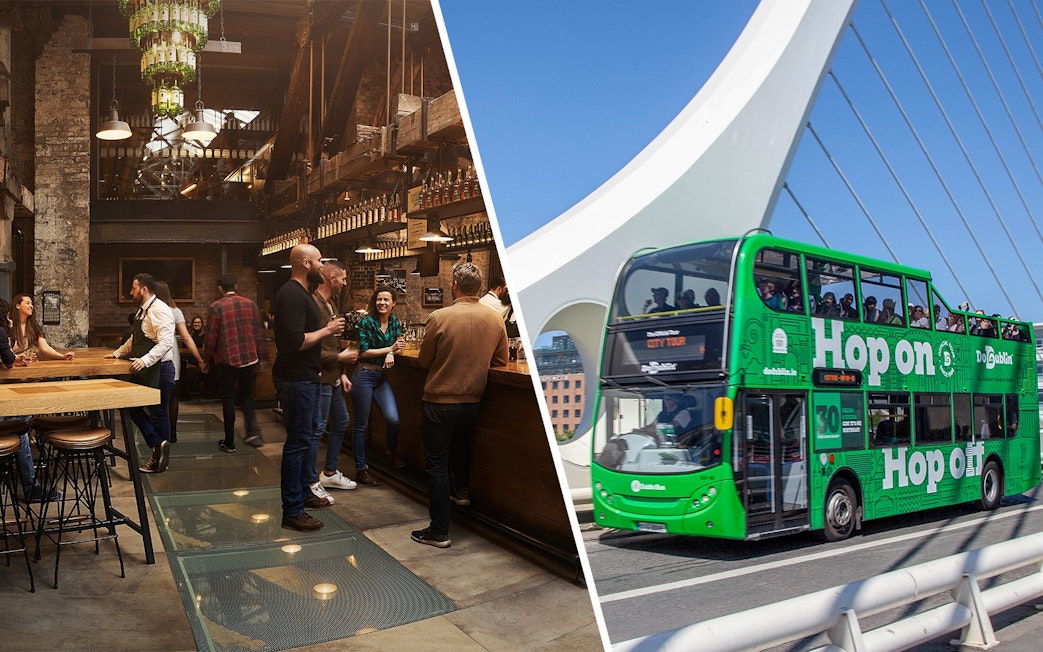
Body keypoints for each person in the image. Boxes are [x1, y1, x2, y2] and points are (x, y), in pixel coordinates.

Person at [412, 262, 509, 548]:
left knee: (437, 465)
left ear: (454, 285)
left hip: (439, 402)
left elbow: (423, 360)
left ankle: (440, 530)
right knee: (461, 445)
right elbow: (501, 360)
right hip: (472, 403)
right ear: (478, 287)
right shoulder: (495, 320)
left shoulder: (440, 317)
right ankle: (462, 493)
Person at [273, 244, 345, 532]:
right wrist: (328, 330)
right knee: (297, 443)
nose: (322, 265)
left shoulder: (301, 293)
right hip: (295, 380)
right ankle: (292, 510)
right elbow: (293, 342)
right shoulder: (291, 294)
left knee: (304, 440)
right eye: (318, 261)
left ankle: (303, 493)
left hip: (305, 376)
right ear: (305, 263)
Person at [106, 273, 176, 474]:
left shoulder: (160, 310)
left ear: (144, 290)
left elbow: (166, 343)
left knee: (159, 412)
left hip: (160, 369)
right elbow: (135, 339)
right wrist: (117, 353)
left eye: (133, 288)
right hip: (147, 369)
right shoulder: (142, 311)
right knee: (131, 408)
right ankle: (158, 444)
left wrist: (145, 360)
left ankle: (159, 460)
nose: (131, 292)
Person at [204, 274, 269, 453]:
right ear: (236, 286)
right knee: (247, 397)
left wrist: (206, 361)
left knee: (229, 400)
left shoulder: (216, 307)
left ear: (220, 288)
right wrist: (263, 359)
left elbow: (211, 338)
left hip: (226, 360)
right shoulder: (251, 304)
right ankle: (253, 433)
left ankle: (230, 442)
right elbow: (259, 334)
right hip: (249, 358)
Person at [311, 260, 359, 497]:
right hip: (321, 379)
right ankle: (310, 483)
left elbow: (331, 342)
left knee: (340, 421)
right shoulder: (315, 306)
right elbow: (311, 346)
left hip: (333, 376)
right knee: (317, 428)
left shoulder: (329, 304)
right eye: (343, 278)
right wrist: (340, 356)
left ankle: (329, 473)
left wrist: (341, 372)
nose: (345, 283)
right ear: (332, 279)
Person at [350, 286, 405, 486]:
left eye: (386, 300)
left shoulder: (394, 322)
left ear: (393, 303)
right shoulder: (366, 323)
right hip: (363, 375)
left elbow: (400, 341)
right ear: (375, 302)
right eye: (379, 299)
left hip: (381, 378)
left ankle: (390, 452)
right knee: (361, 426)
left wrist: (392, 351)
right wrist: (389, 349)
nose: (382, 302)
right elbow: (362, 352)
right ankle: (361, 469)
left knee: (393, 419)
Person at [154, 281, 205, 443]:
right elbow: (187, 337)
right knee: (173, 398)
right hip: (171, 353)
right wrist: (200, 359)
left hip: (154, 354)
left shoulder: (151, 310)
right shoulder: (175, 311)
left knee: (157, 398)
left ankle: (159, 434)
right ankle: (173, 433)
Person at [8, 293, 75, 361]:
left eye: (31, 304)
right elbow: (6, 351)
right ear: (18, 306)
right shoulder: (9, 324)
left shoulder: (32, 325)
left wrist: (62, 356)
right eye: (27, 303)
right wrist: (18, 358)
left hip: (26, 364)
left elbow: (45, 347)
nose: (31, 306)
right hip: (10, 364)